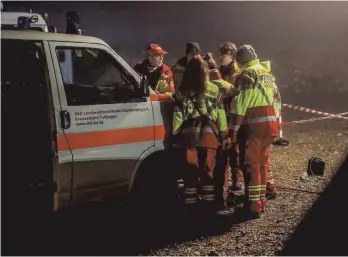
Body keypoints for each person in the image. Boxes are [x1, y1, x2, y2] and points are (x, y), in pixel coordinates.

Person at [227, 45, 278, 218]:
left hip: (255, 126)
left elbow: (240, 105)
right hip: (270, 125)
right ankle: (261, 199)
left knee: (251, 166)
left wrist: (233, 130)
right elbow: (277, 100)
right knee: (262, 164)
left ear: (241, 61)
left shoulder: (246, 74)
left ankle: (254, 204)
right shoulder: (267, 73)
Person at [172, 57, 228, 214]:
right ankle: (208, 209)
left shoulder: (182, 91)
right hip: (209, 137)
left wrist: (175, 136)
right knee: (207, 174)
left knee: (189, 175)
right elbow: (221, 115)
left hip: (188, 138)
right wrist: (223, 134)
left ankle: (191, 210)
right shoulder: (215, 90)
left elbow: (178, 116)